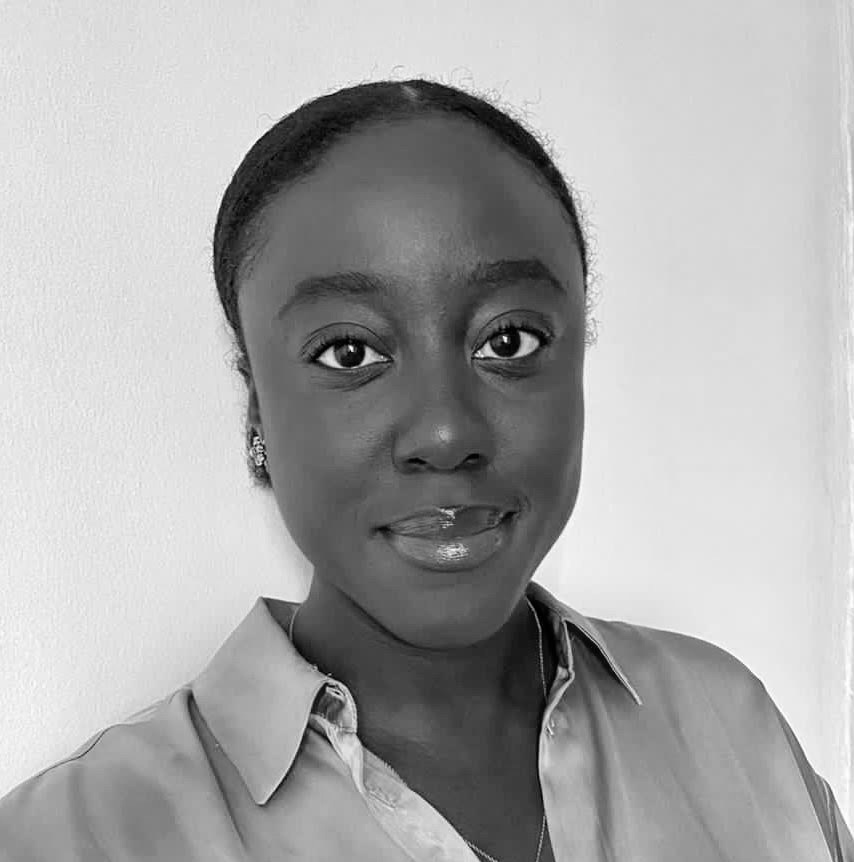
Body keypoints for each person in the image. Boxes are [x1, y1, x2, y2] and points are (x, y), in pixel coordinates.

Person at [0, 76, 851, 862]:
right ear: (256, 411)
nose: (445, 433)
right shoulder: (71, 837)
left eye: (509, 340)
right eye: (349, 352)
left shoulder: (732, 727)